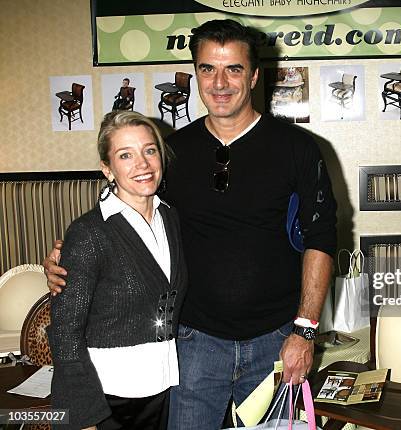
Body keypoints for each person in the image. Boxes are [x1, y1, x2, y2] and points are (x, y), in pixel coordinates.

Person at [44, 19, 337, 429]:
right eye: (207, 69)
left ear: (254, 75)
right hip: (192, 344)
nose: (219, 82)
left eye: (233, 69)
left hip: (277, 340)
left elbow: (321, 237)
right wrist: (68, 256)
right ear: (195, 72)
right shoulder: (172, 152)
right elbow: (127, 206)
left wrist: (304, 332)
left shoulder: (298, 148)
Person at [47, 110, 188, 430]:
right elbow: (64, 332)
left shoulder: (171, 218)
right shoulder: (89, 233)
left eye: (149, 150)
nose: (143, 163)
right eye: (126, 155)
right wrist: (84, 416)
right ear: (107, 169)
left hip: (162, 386)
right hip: (108, 396)